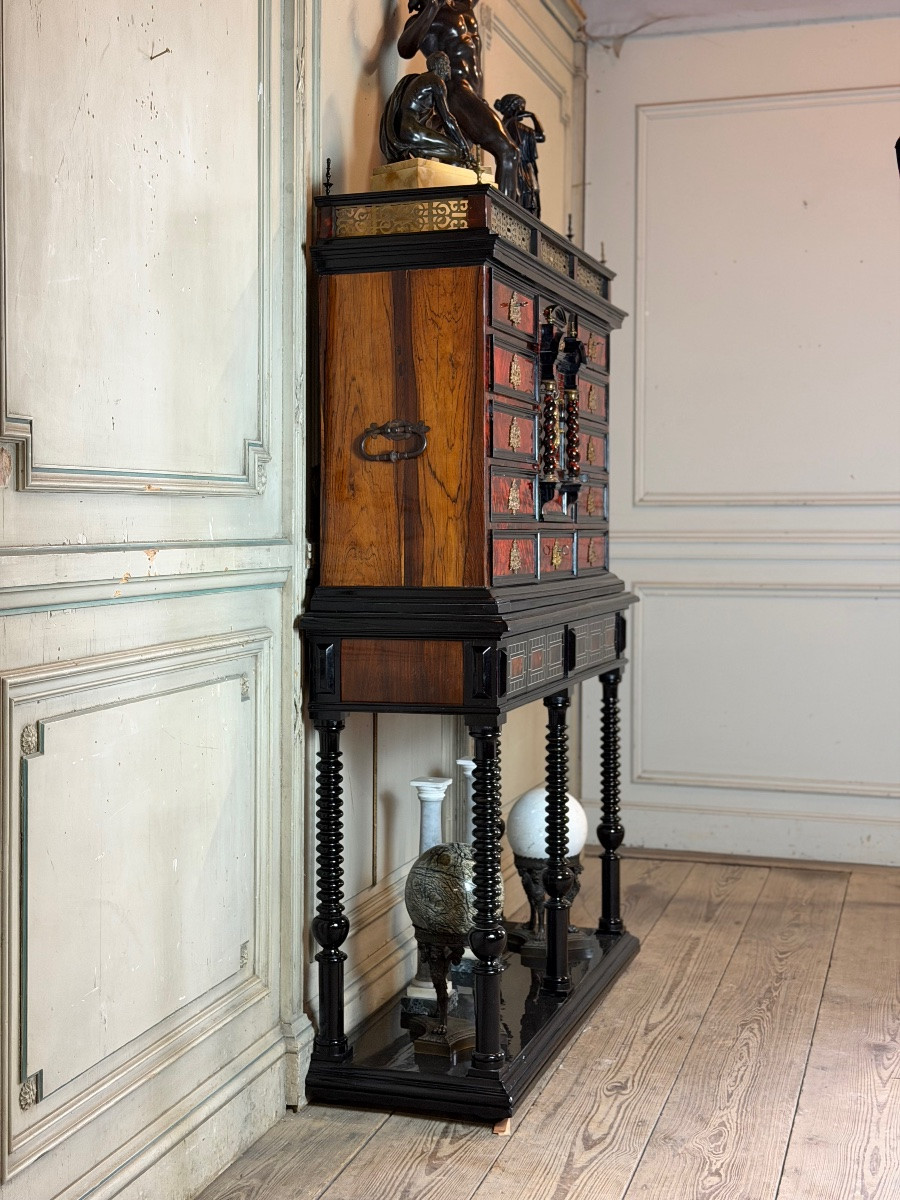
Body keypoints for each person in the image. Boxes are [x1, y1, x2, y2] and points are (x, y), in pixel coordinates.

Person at [398, 0, 520, 197]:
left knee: (459, 169)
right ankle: (507, 226)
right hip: (456, 90)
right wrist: (432, 7)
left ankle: (469, 222)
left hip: (472, 94)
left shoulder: (464, 7)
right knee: (508, 152)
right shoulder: (432, 17)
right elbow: (404, 49)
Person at [380, 51, 474, 168]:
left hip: (406, 129)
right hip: (412, 130)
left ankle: (421, 151)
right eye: (447, 64)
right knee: (456, 152)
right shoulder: (437, 81)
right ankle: (421, 151)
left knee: (453, 148)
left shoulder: (422, 79)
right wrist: (464, 146)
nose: (449, 68)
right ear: (441, 65)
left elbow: (437, 118)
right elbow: (447, 118)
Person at [494, 93, 545, 218]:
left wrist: (533, 116)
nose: (523, 111)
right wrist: (513, 119)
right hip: (513, 166)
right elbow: (501, 132)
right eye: (521, 107)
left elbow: (540, 136)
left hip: (526, 168)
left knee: (530, 197)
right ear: (513, 107)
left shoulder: (522, 128)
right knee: (518, 195)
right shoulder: (504, 125)